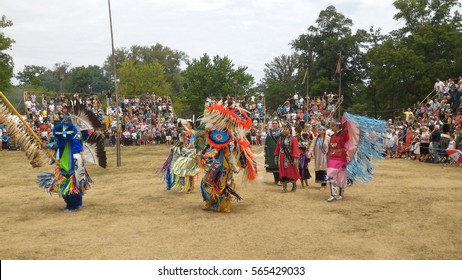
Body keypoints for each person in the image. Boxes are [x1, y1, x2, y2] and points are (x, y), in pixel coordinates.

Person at [37, 103, 106, 212]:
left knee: (69, 182)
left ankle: (73, 205)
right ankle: (75, 203)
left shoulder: (68, 133)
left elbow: (58, 143)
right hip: (76, 160)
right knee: (75, 181)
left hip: (70, 160)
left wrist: (47, 145)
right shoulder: (77, 133)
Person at [326, 119, 349, 202]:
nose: (332, 127)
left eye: (333, 125)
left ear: (338, 126)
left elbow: (347, 127)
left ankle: (340, 194)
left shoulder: (343, 134)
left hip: (342, 158)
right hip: (332, 158)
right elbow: (330, 147)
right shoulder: (332, 136)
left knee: (341, 176)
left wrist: (345, 119)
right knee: (330, 175)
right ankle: (333, 194)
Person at [274, 124, 300, 193]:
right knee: (282, 171)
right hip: (281, 157)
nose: (285, 130)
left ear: (290, 130)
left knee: (291, 171)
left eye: (286, 129)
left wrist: (295, 159)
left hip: (289, 158)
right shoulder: (280, 138)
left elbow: (295, 149)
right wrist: (276, 157)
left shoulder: (293, 139)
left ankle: (294, 185)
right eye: (284, 129)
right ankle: (284, 187)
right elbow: (277, 148)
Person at [308, 125, 330, 190]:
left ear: (324, 131)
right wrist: (309, 152)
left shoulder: (328, 138)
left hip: (325, 156)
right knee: (319, 168)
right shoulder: (316, 138)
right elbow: (312, 146)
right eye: (319, 130)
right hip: (318, 156)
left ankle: (324, 183)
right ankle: (321, 182)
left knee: (324, 168)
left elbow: (331, 146)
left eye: (321, 130)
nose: (319, 131)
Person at [264, 119, 282, 184]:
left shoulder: (281, 131)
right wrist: (266, 151)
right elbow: (267, 142)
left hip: (280, 151)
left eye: (275, 123)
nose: (274, 125)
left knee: (279, 165)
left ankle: (281, 179)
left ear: (278, 124)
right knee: (273, 165)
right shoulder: (269, 132)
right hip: (271, 151)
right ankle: (276, 180)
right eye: (273, 123)